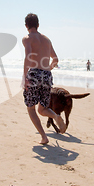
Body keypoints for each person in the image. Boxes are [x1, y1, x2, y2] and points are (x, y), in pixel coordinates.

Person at [22, 13, 66, 145]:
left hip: (34, 74)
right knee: (42, 109)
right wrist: (48, 69)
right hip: (47, 75)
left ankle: (44, 137)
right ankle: (55, 116)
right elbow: (56, 59)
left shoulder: (27, 38)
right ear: (38, 24)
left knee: (31, 108)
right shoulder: (47, 39)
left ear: (26, 26)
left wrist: (25, 77)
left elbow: (28, 56)